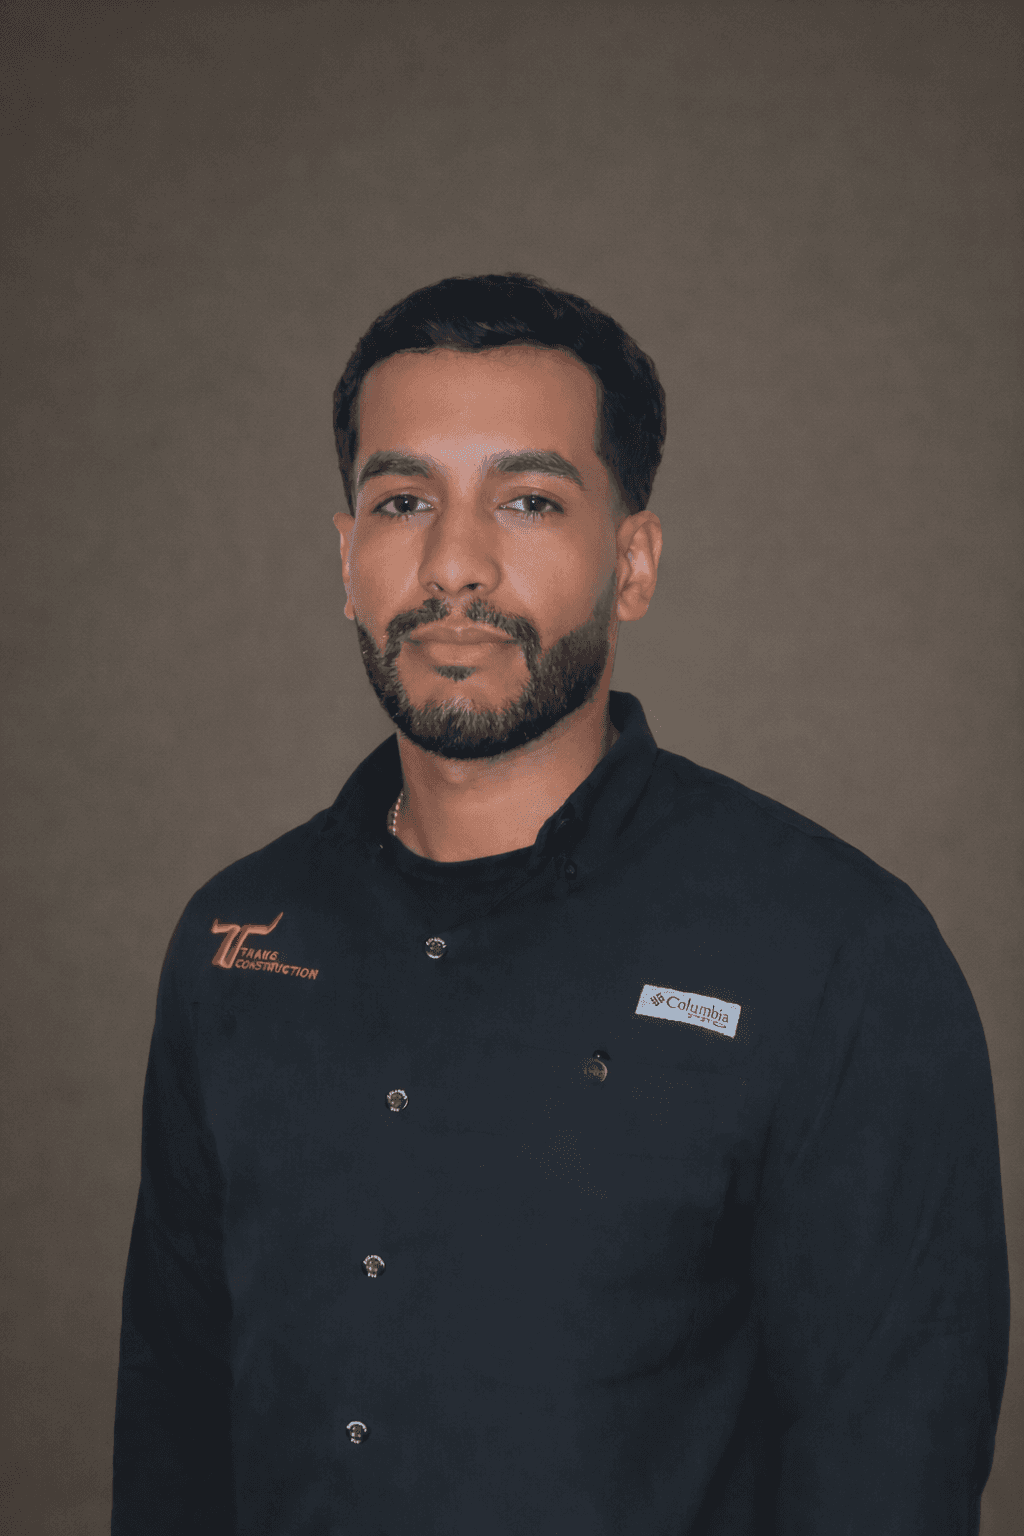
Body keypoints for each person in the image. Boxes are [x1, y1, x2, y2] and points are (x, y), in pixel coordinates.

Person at [112, 273, 1009, 1535]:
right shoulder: (236, 939)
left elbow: (891, 1471)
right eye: (403, 501)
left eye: (527, 500)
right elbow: (171, 1438)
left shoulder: (834, 951)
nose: (453, 565)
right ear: (346, 557)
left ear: (630, 563)